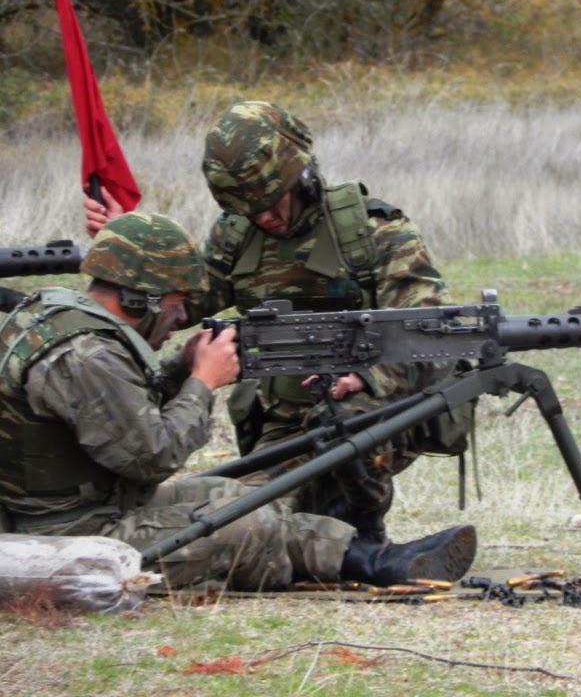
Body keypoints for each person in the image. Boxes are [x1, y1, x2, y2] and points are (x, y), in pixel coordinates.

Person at [0, 212, 475, 590]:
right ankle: (378, 565)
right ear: (138, 298)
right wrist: (203, 383)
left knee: (237, 497)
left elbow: (118, 415)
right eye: (175, 302)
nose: (183, 314)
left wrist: (179, 370)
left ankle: (369, 553)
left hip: (102, 504)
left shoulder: (70, 323)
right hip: (71, 536)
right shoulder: (86, 354)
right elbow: (151, 455)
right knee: (241, 530)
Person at [84, 101, 471, 546]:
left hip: (379, 415)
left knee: (345, 437)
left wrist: (364, 377)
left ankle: (367, 535)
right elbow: (181, 304)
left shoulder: (377, 234)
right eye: (249, 210)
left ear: (303, 177)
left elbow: (428, 333)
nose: (262, 218)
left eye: (270, 203)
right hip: (287, 422)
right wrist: (132, 256)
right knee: (241, 519)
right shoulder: (238, 234)